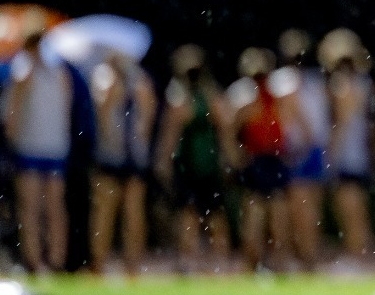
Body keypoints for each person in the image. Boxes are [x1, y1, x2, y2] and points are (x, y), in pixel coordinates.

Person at [0, 32, 75, 273]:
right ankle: (35, 261)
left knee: (53, 207)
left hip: (53, 146)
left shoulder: (58, 71)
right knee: (31, 207)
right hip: (30, 146)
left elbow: (66, 106)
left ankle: (56, 260)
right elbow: (11, 112)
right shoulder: (22, 70)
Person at [227, 47, 306, 271]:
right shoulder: (263, 98)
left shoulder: (254, 98)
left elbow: (229, 131)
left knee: (263, 214)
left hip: (265, 158)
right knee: (268, 214)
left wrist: (236, 155)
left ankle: (261, 263)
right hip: (265, 158)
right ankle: (266, 263)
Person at [155, 45, 231, 272]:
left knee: (199, 215)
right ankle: (207, 263)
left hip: (196, 165)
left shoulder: (185, 98)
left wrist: (163, 162)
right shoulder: (206, 96)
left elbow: (170, 136)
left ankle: (205, 262)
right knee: (203, 216)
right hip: (197, 164)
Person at [88, 48, 157, 275]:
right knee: (105, 213)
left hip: (134, 155)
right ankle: (99, 265)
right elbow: (101, 115)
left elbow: (148, 115)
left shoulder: (138, 79)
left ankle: (133, 266)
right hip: (110, 154)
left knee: (134, 212)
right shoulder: (102, 76)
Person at [274, 29, 332, 268]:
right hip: (310, 147)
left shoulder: (284, 81)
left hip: (297, 148)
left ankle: (304, 257)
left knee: (297, 208)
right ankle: (307, 256)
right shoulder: (315, 81)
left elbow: (293, 114)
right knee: (307, 209)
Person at [319, 29, 375, 261]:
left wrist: (330, 155)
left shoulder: (342, 84)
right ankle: (359, 253)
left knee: (350, 209)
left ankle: (357, 256)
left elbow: (341, 124)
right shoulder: (363, 82)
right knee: (357, 208)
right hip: (359, 152)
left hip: (347, 153)